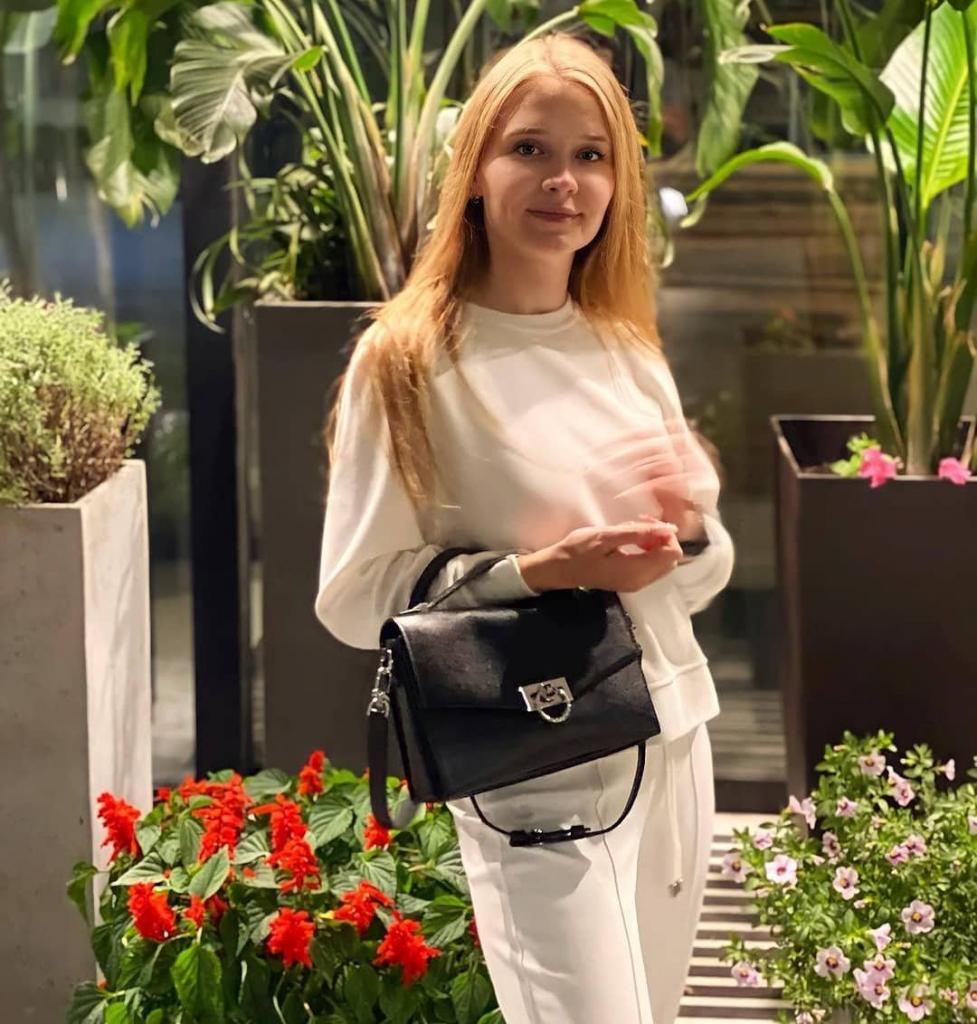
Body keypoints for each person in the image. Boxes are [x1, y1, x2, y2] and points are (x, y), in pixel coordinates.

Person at [314, 30, 735, 1024]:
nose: (562, 181)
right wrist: (537, 571)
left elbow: (695, 577)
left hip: (675, 737)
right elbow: (355, 596)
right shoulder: (407, 361)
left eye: (591, 154)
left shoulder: (624, 348)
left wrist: (689, 527)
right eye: (529, 149)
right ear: (475, 171)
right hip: (534, 752)